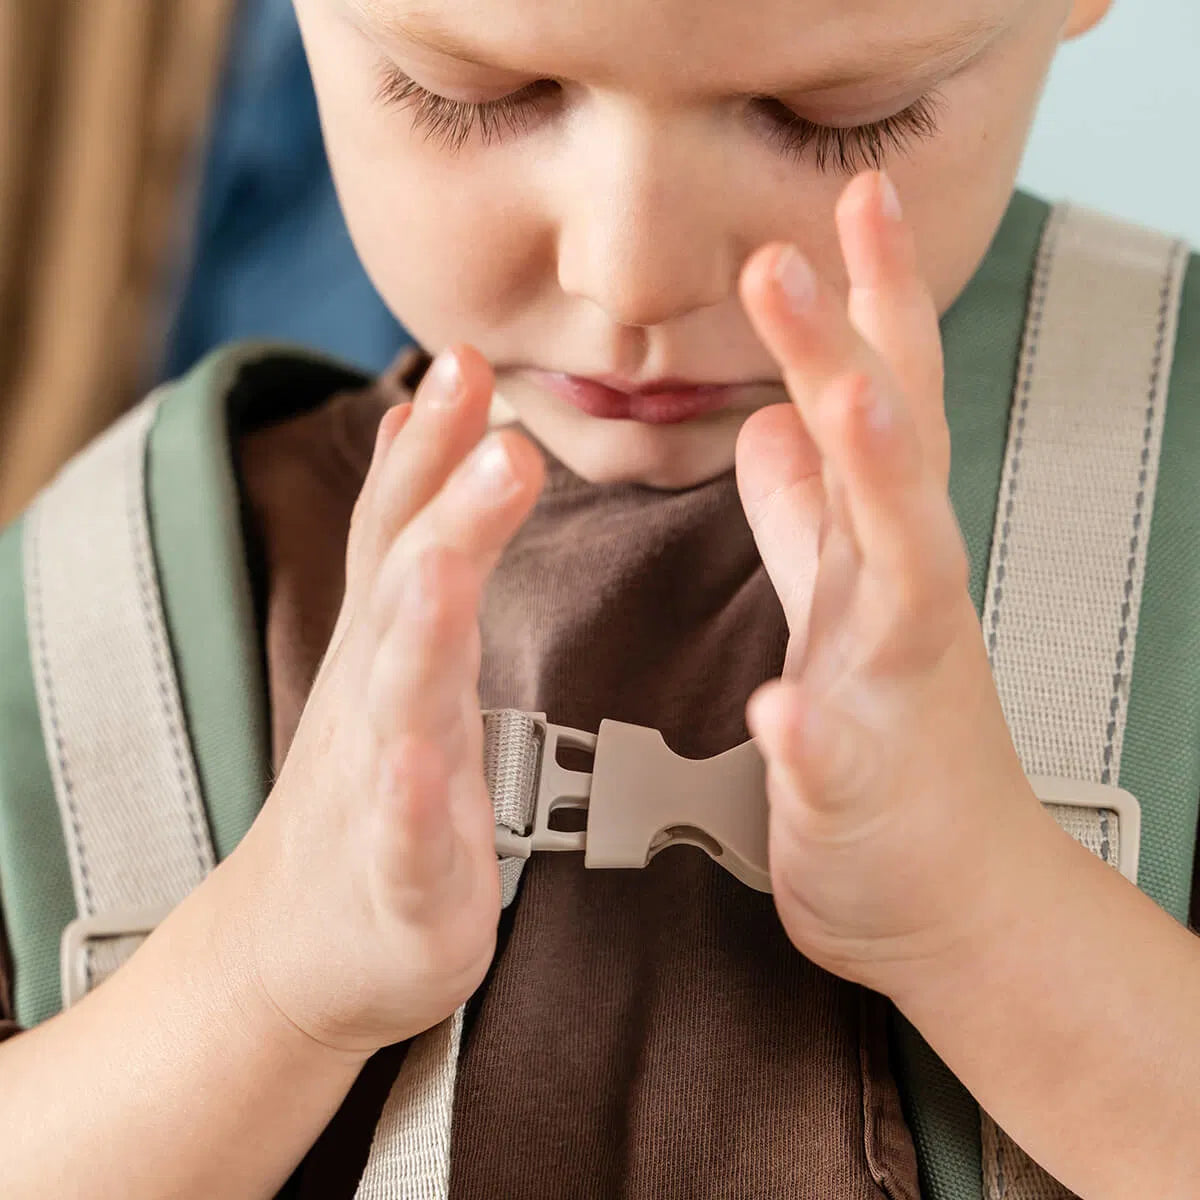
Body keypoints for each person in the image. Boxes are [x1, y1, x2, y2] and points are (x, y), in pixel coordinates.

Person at [0, 0, 1197, 1197]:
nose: (634, 279)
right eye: (469, 93)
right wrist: (265, 986)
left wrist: (992, 927)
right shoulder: (91, 610)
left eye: (832, 116)